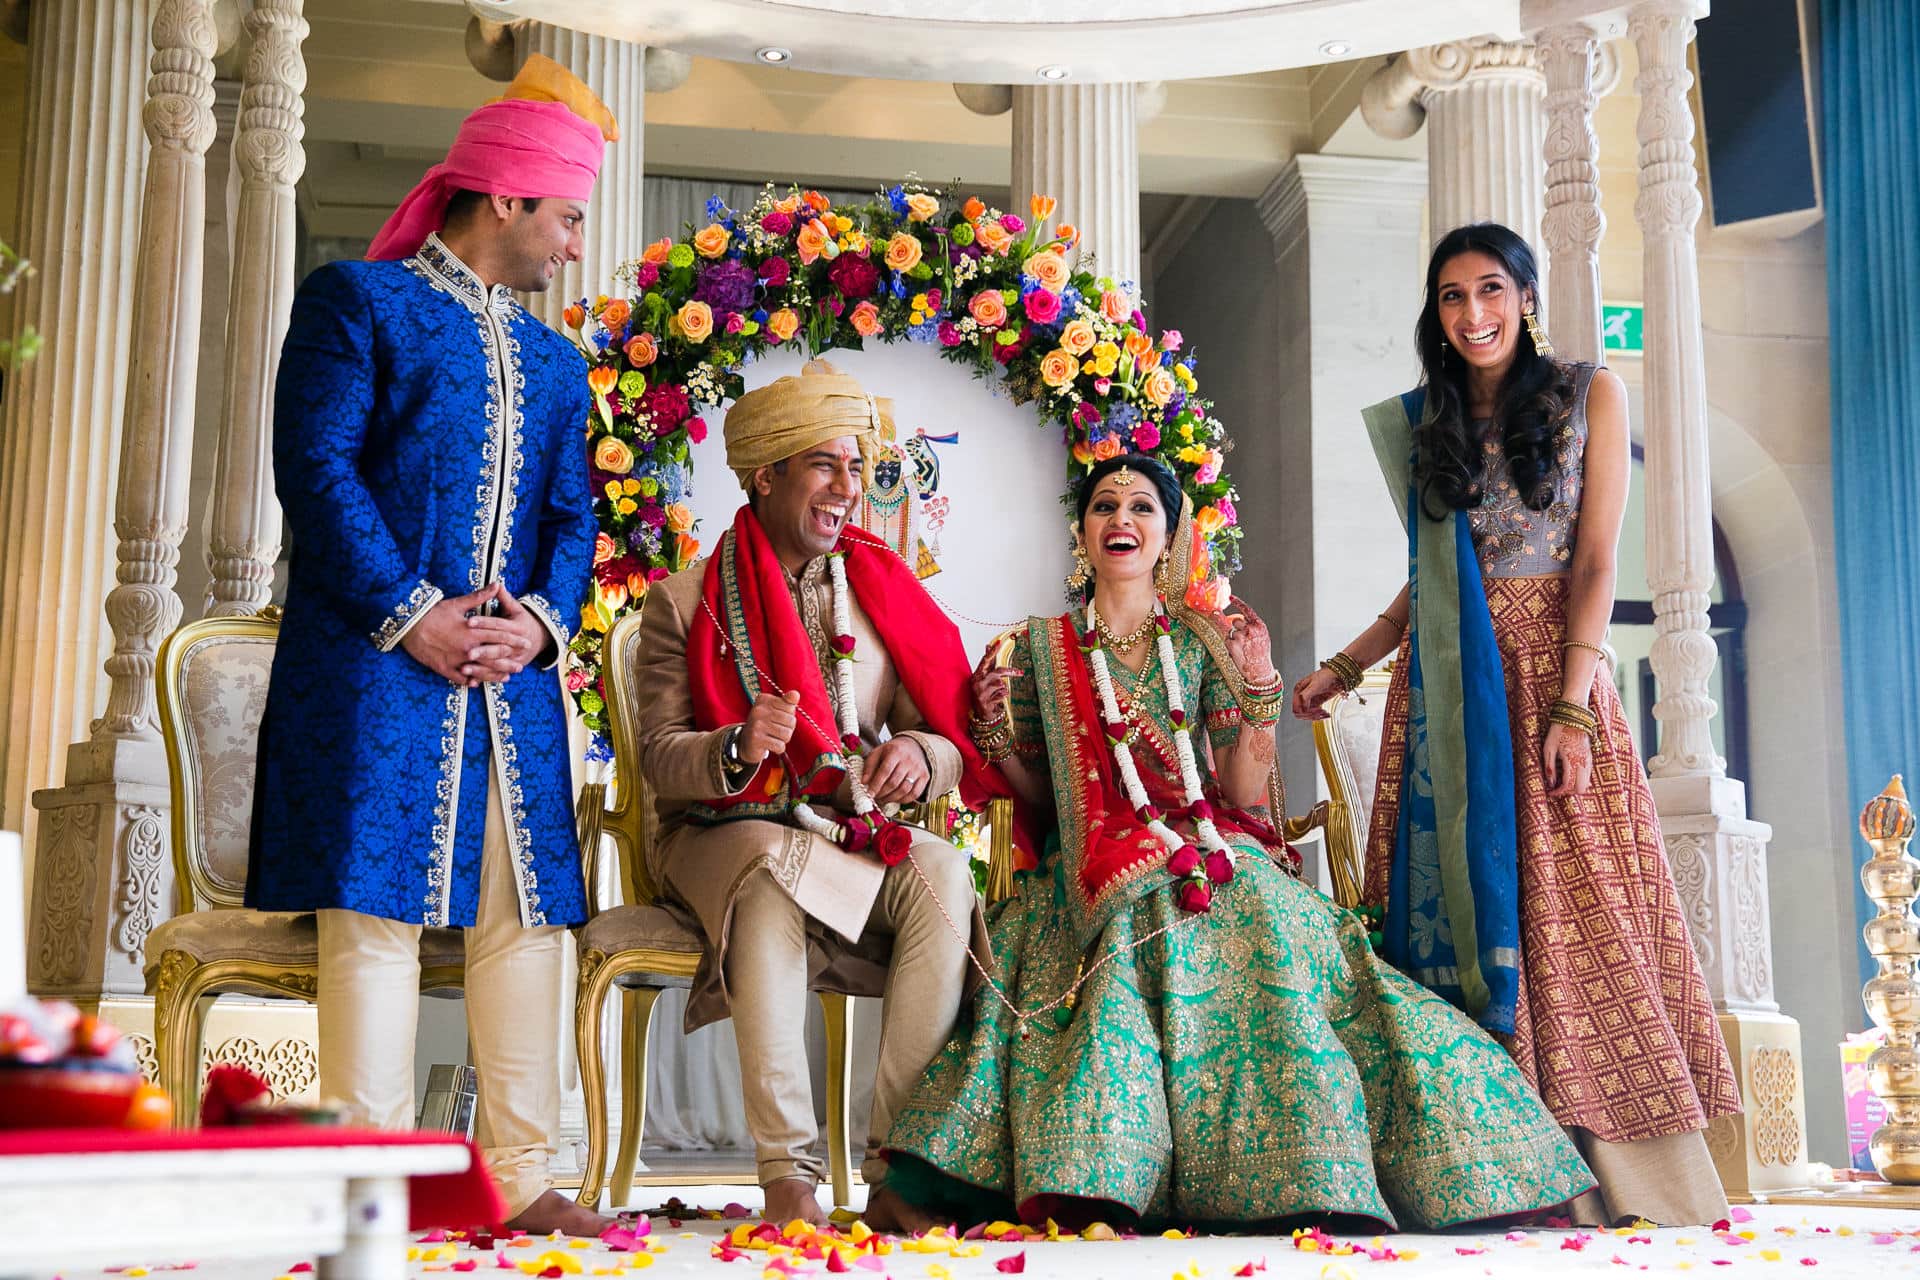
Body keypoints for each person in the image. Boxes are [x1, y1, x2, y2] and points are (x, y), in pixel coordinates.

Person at [883, 453, 1594, 1230]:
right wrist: (994, 731)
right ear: (1082, 533)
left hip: (1211, 853)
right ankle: (1107, 1169)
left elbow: (1244, 791)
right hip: (1091, 870)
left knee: (1270, 926)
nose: (1122, 519)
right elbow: (1046, 802)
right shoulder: (1034, 653)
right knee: (1124, 925)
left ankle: (1307, 1168)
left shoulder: (1199, 641)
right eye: (1105, 507)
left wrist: (1258, 691)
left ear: (1169, 534)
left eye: (1142, 507)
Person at [1291, 222, 1741, 1226]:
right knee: (1457, 895)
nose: (1473, 314)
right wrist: (1344, 664)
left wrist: (1576, 703)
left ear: (1527, 297)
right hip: (1445, 686)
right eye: (1451, 297)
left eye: (1490, 289)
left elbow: (1593, 562)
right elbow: (1428, 581)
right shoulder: (1425, 421)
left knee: (1575, 905)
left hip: (1551, 675)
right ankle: (1468, 1160)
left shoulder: (1588, 392)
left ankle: (1614, 1168)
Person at [246, 55, 616, 1235]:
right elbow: (317, 470)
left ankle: (519, 1172)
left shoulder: (557, 363)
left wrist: (534, 626)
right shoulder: (358, 303)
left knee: (526, 916)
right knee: (377, 919)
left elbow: (573, 515)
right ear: (504, 197)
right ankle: (369, 1183)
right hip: (371, 665)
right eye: (564, 215)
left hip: (511, 683)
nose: (571, 244)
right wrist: (417, 614)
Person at [629, 361, 1004, 1232]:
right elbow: (659, 760)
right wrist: (737, 743)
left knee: (946, 874)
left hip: (849, 831)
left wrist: (918, 751)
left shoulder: (879, 590)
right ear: (766, 476)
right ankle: (787, 1174)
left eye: (853, 468)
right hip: (725, 830)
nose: (847, 490)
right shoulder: (683, 604)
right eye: (824, 468)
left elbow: (944, 736)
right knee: (769, 867)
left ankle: (897, 1166)